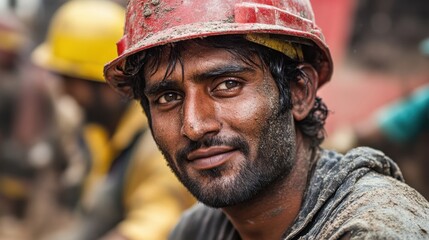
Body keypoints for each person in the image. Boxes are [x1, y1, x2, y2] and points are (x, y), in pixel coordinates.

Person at [103, 0, 429, 239]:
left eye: (227, 85)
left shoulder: (375, 228)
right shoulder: (200, 229)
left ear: (299, 92)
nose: (194, 125)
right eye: (167, 97)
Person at [31, 1, 194, 239]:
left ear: (104, 83)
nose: (64, 92)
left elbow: (153, 227)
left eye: (69, 80)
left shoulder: (156, 146)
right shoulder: (101, 135)